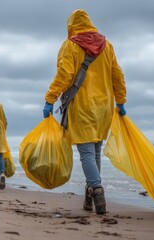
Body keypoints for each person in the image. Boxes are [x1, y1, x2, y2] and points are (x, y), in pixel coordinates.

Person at [43, 9, 127, 214]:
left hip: (82, 105)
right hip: (103, 107)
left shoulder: (70, 45)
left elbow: (64, 75)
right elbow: (117, 75)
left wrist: (50, 98)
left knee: (87, 152)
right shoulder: (107, 46)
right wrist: (121, 101)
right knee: (95, 149)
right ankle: (90, 195)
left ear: (71, 25)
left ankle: (97, 190)